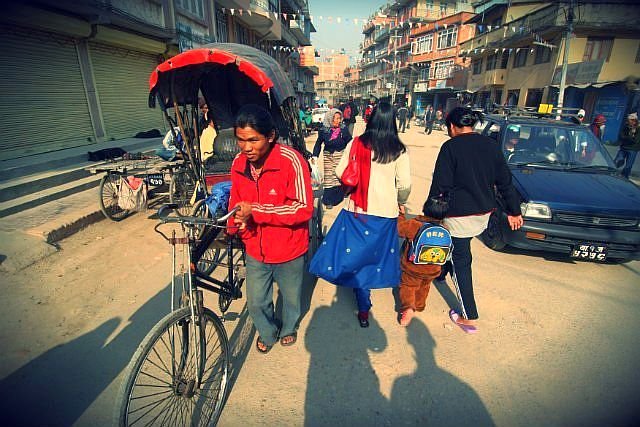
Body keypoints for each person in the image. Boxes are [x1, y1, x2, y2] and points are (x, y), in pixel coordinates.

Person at [311, 102, 411, 328]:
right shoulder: (399, 149)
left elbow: (340, 171)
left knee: (357, 255)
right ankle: (366, 304)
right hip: (385, 212)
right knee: (374, 257)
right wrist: (400, 201)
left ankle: (363, 306)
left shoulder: (357, 143)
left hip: (357, 211)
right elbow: (405, 184)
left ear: (371, 119)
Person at [427, 107, 523, 333]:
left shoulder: (450, 147)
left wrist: (432, 212)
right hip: (483, 213)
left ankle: (468, 316)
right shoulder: (490, 145)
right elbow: (505, 182)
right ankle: (440, 273)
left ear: (452, 126)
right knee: (457, 245)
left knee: (461, 259)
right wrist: (514, 211)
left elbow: (440, 185)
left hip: (459, 214)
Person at [227, 104, 313, 353]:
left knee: (291, 298)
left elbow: (303, 208)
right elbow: (235, 200)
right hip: (255, 247)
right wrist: (235, 224)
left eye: (253, 140)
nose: (247, 148)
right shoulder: (238, 163)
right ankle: (267, 331)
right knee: (255, 302)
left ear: (271, 136)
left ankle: (288, 328)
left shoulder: (292, 161)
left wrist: (257, 210)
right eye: (241, 140)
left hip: (289, 248)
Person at [396, 206, 442, 326]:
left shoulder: (415, 224)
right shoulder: (444, 228)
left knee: (408, 286)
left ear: (424, 209)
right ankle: (419, 305)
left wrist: (401, 215)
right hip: (434, 268)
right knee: (424, 286)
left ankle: (408, 308)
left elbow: (399, 229)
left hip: (413, 267)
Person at [312, 108, 352, 208]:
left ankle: (339, 196)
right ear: (330, 118)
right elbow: (318, 143)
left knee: (339, 175)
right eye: (337, 118)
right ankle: (328, 200)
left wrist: (351, 155)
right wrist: (315, 156)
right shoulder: (323, 130)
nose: (339, 121)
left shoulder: (343, 129)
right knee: (329, 177)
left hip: (340, 155)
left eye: (340, 118)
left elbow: (350, 142)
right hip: (328, 155)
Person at [614, 112, 640, 179]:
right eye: (628, 120)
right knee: (618, 161)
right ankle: (612, 172)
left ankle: (625, 177)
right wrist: (629, 137)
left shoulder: (638, 128)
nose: (629, 121)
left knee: (629, 165)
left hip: (633, 149)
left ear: (634, 120)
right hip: (624, 147)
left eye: (630, 120)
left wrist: (627, 137)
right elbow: (621, 136)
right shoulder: (626, 126)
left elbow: (636, 140)